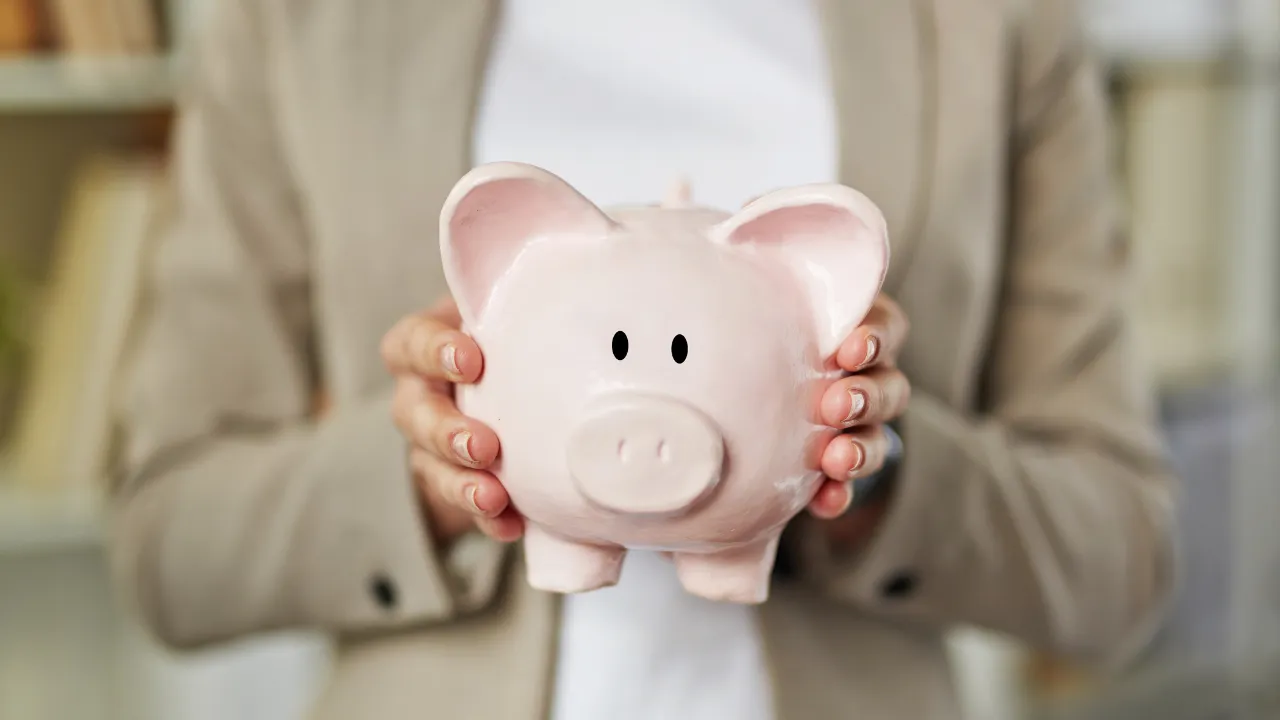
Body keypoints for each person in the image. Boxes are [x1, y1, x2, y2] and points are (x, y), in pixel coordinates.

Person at [105, 0, 1178, 718]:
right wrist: (434, 474)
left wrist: (869, 468)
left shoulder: (988, 26)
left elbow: (1122, 565)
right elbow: (167, 548)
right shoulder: (296, 21)